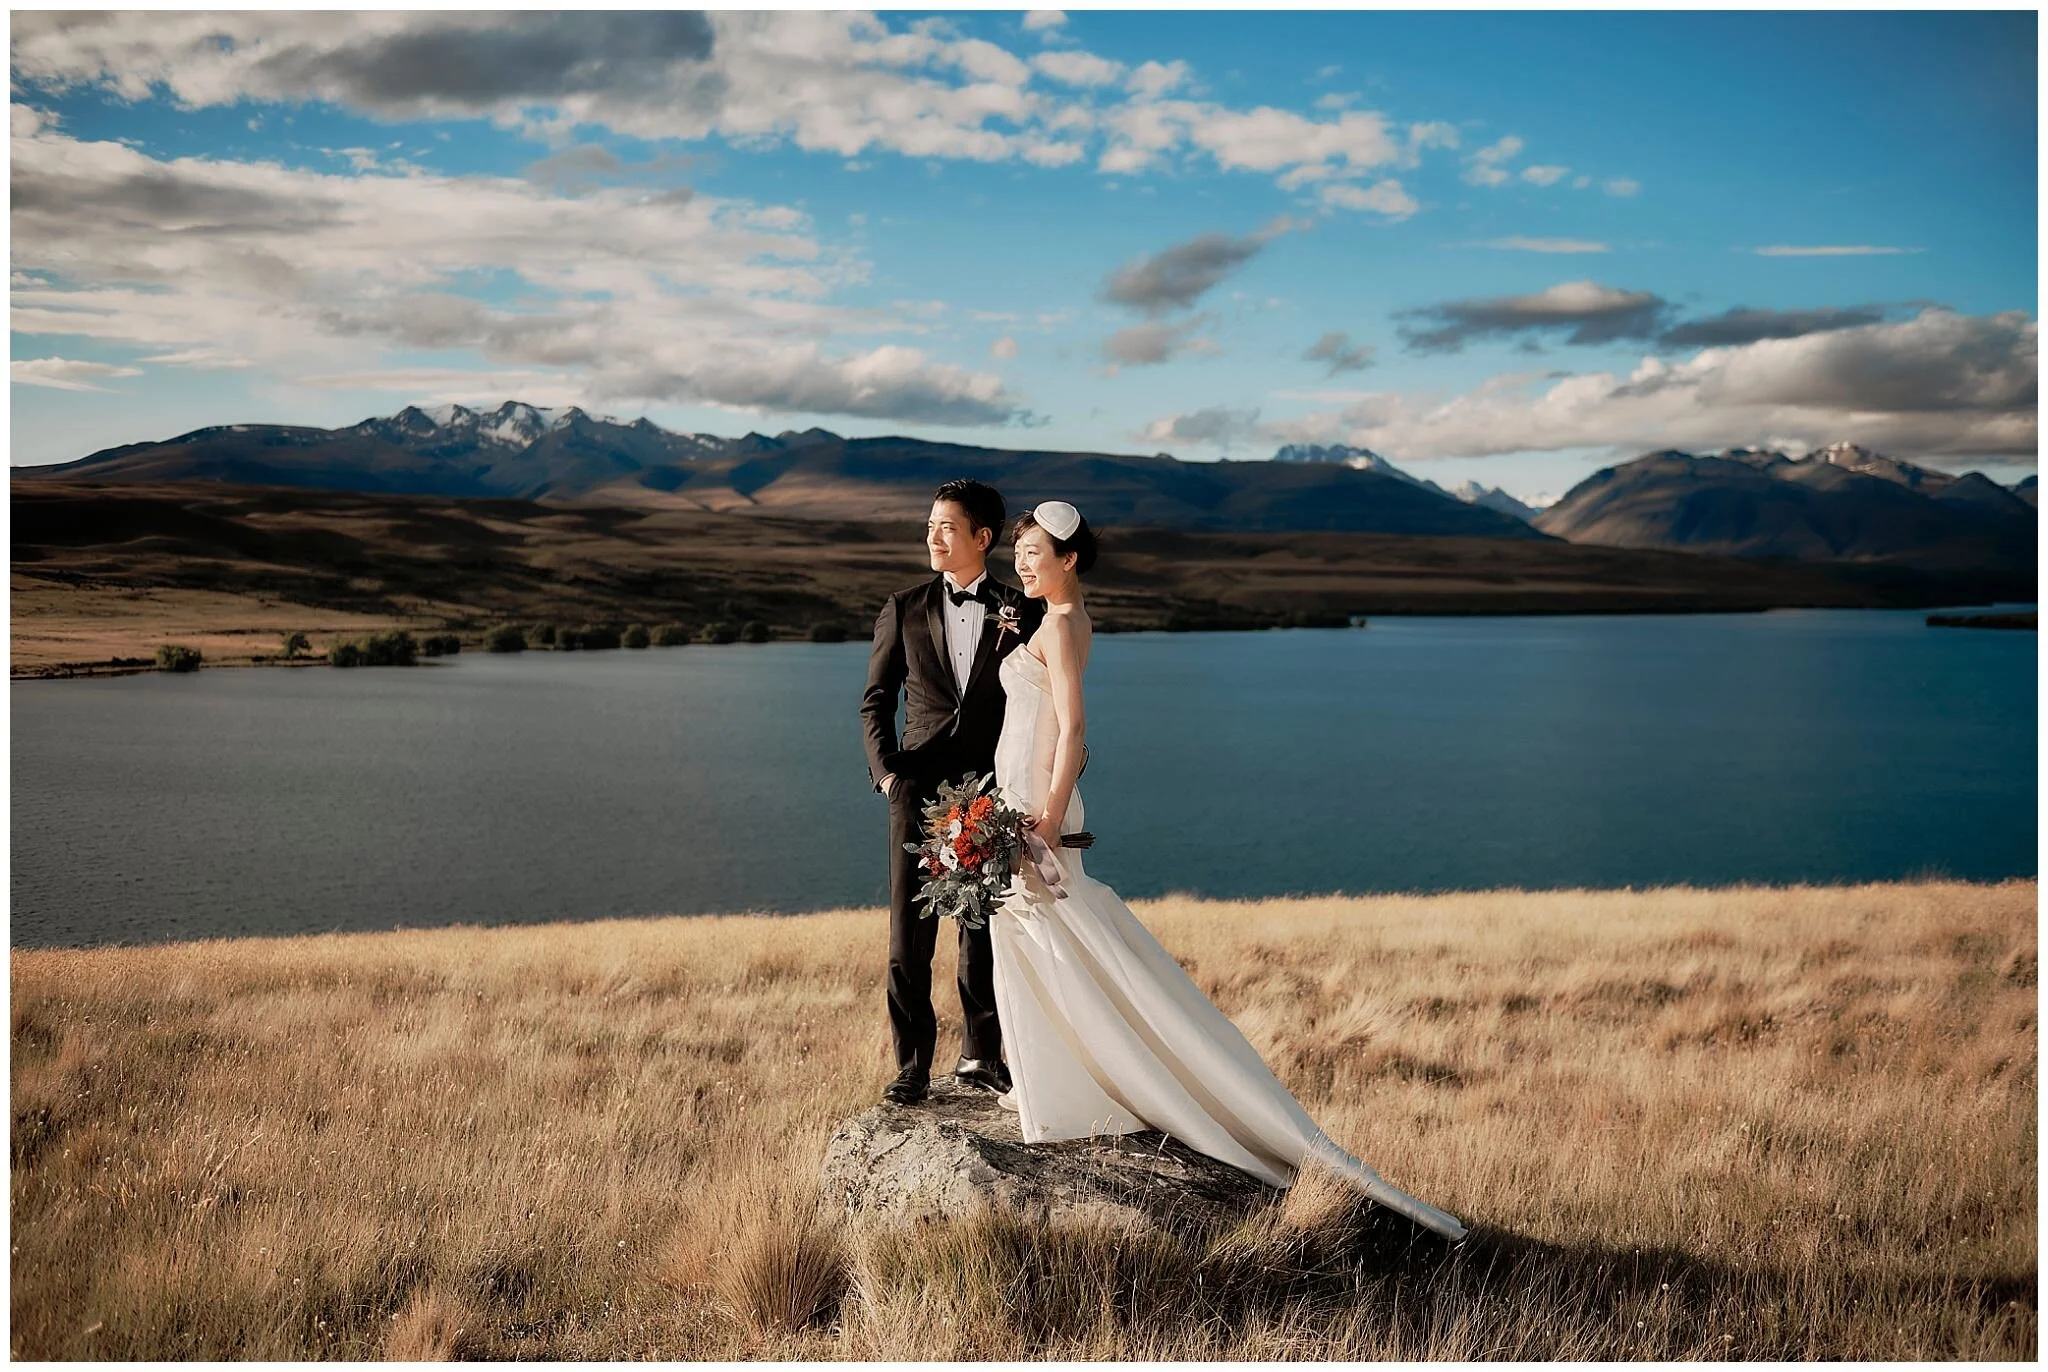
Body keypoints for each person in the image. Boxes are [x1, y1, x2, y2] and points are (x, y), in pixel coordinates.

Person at [986, 498, 1469, 1242]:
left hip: (1037, 805)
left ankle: (1100, 1085)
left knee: (1058, 931)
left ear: (1070, 558)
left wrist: (1046, 816)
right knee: (1038, 935)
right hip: (1020, 795)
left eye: (1034, 553)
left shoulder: (1056, 624)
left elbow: (1075, 727)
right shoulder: (1061, 618)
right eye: (1018, 553)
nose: (1022, 563)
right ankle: (1056, 1083)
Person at [860, 479, 1045, 1107]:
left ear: (982, 538)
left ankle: (979, 1057)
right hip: (916, 790)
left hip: (990, 789)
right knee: (910, 929)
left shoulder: (1021, 609)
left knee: (981, 928)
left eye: (946, 527)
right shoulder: (903, 607)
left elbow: (1040, 698)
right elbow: (876, 702)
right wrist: (888, 774)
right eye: (930, 525)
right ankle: (911, 1063)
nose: (933, 537)